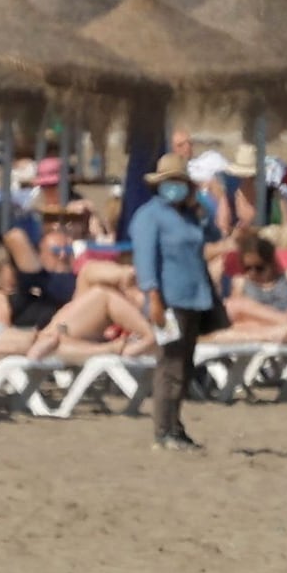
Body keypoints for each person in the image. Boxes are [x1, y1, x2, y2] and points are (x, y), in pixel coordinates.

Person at [126, 164, 218, 451]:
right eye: (170, 181)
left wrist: (203, 209)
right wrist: (152, 296)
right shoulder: (149, 216)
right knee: (170, 365)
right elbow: (145, 259)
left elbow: (212, 238)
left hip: (193, 298)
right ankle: (163, 430)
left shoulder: (189, 215)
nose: (175, 186)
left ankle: (175, 427)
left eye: (180, 181)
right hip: (167, 300)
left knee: (185, 365)